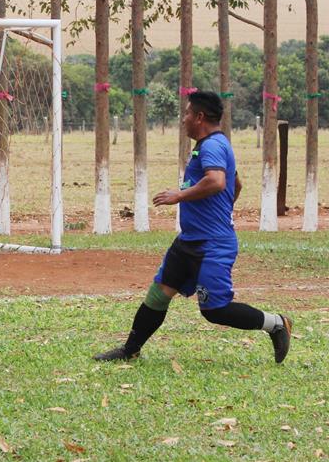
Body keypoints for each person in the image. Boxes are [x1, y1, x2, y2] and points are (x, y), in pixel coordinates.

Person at [94, 91, 293, 364]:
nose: (184, 119)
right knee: (157, 295)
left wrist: (179, 195)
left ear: (200, 117)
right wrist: (219, 209)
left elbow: (217, 181)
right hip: (189, 240)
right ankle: (130, 351)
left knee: (215, 310)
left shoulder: (212, 146)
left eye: (187, 114)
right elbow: (236, 184)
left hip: (212, 244)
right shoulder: (210, 145)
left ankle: (277, 323)